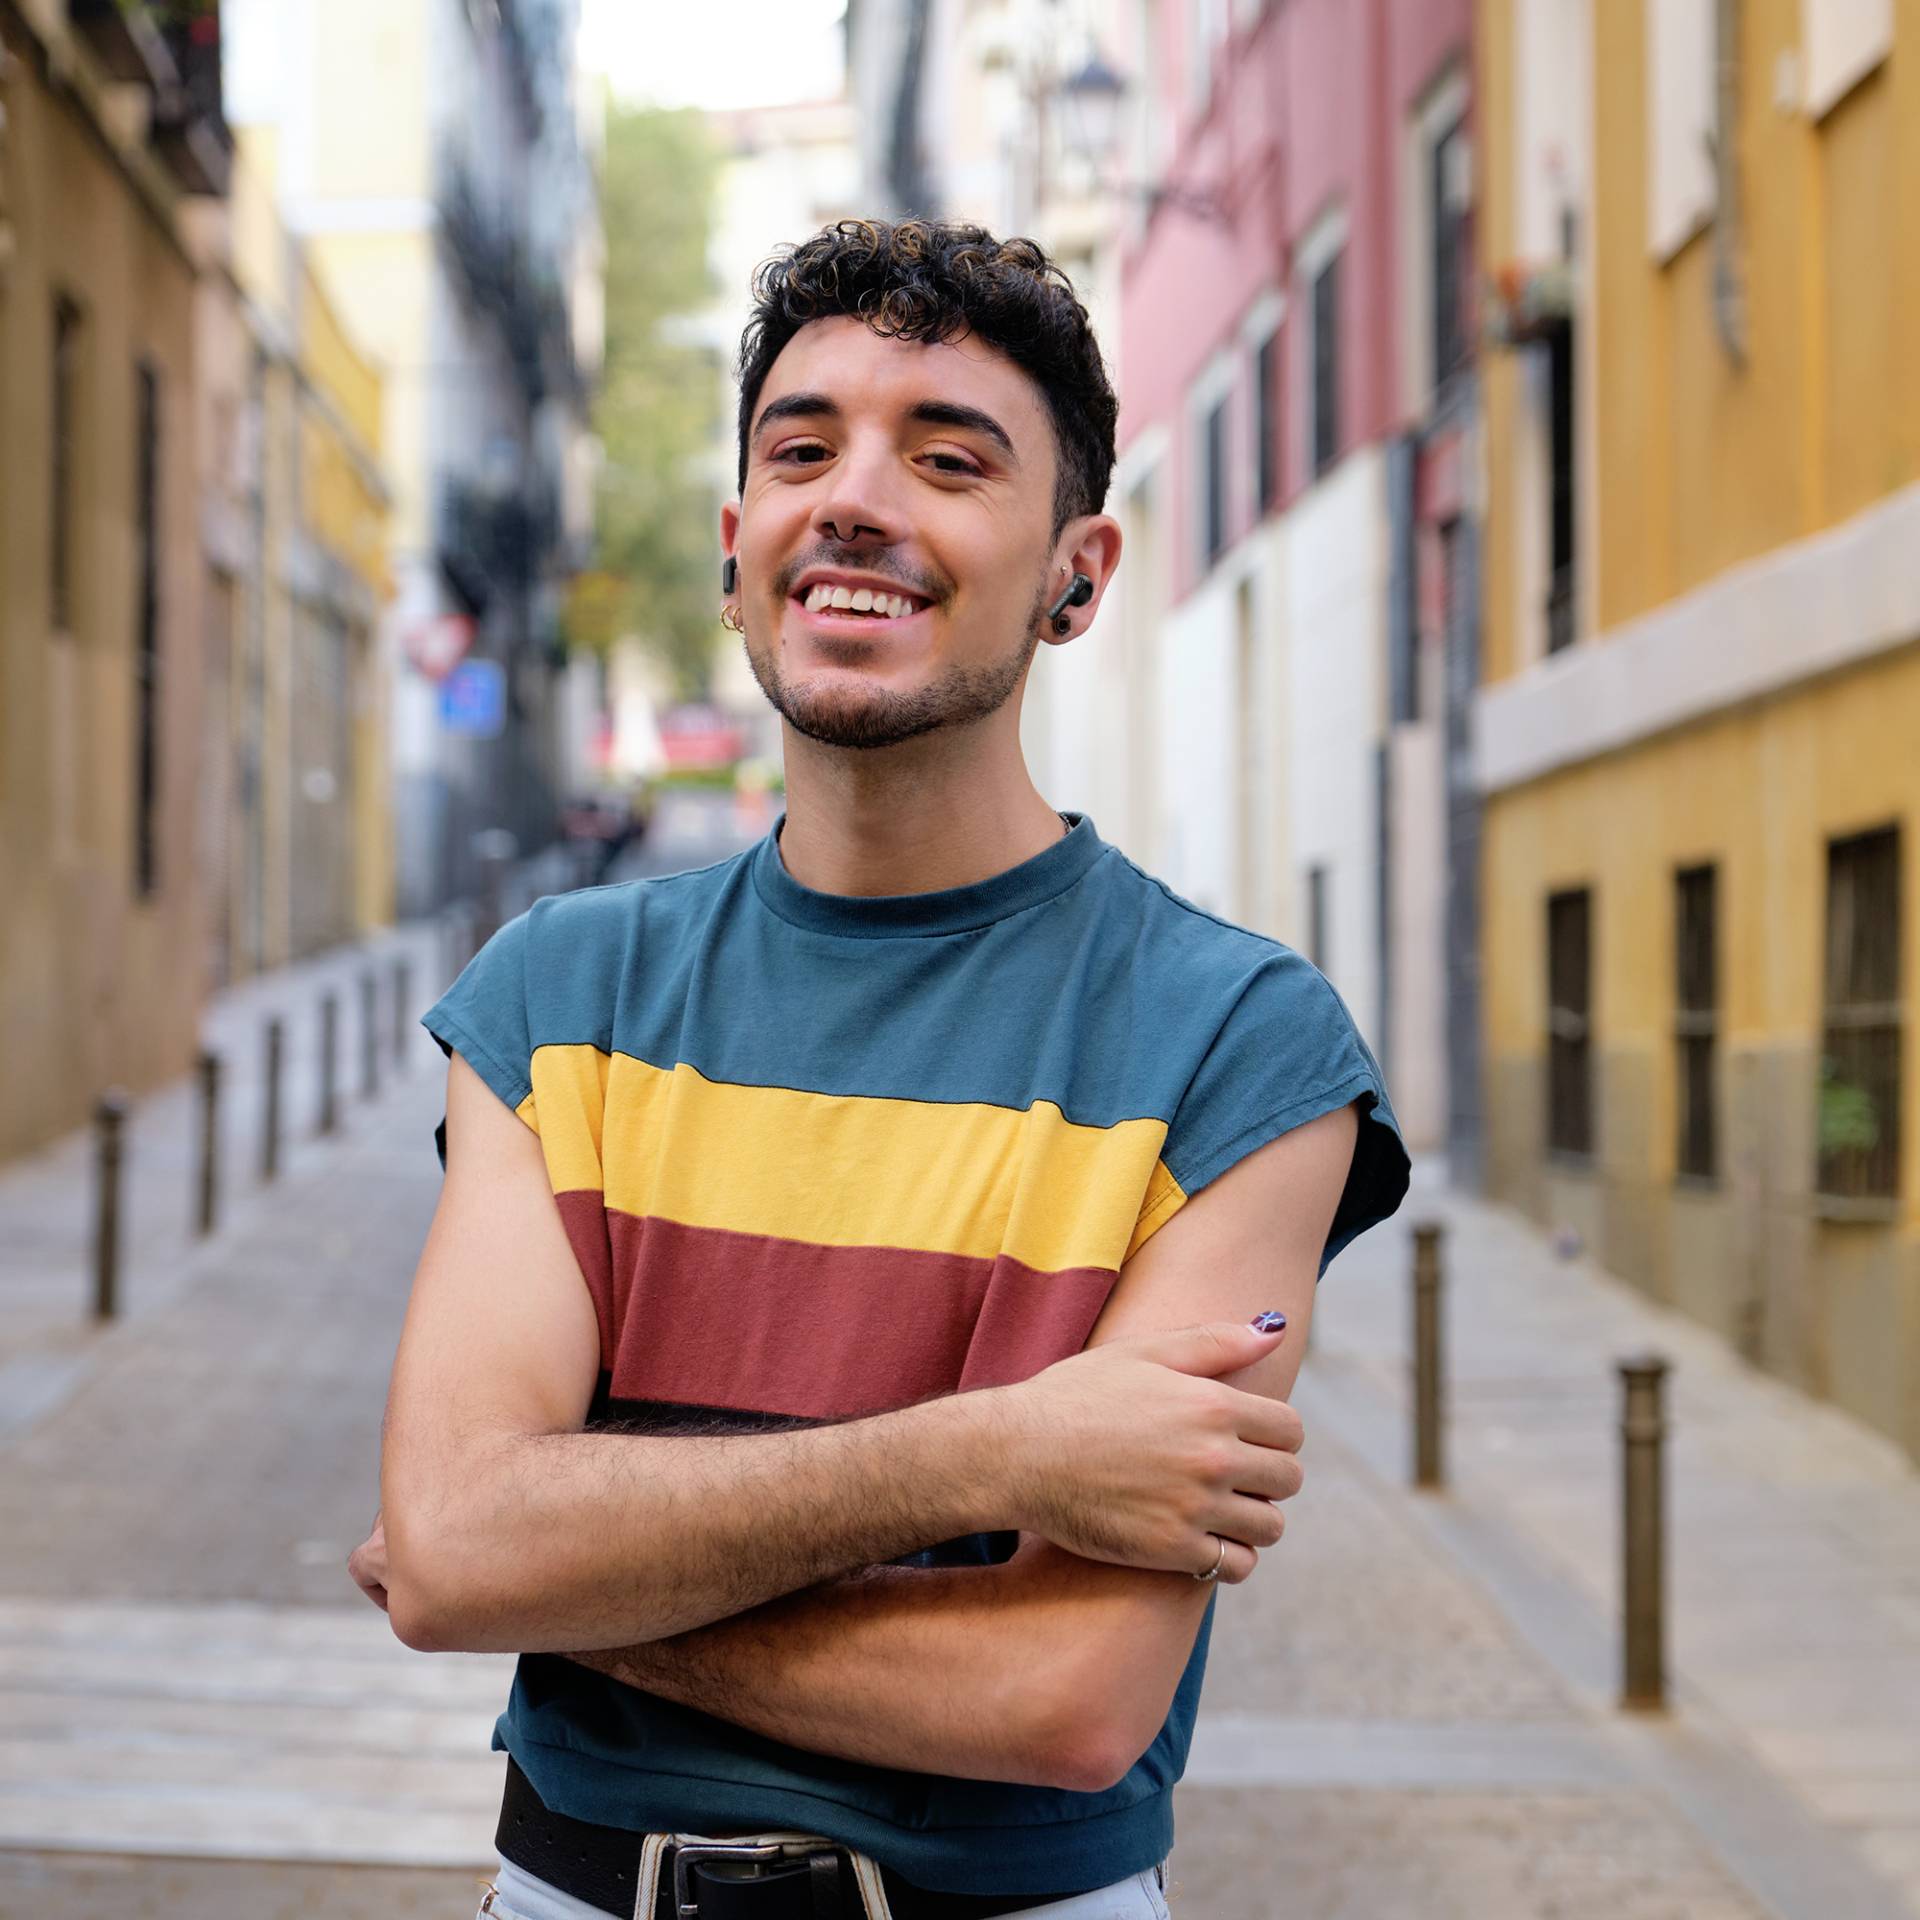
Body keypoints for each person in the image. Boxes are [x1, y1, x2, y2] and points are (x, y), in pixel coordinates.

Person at [350, 218, 1410, 1919]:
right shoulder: (561, 997)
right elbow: (463, 1546)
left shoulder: (1240, 1047)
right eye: (801, 449)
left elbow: (1065, 1703)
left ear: (1079, 573)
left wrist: (576, 1590)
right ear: (736, 544)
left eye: (947, 458)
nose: (853, 498)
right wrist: (994, 1455)